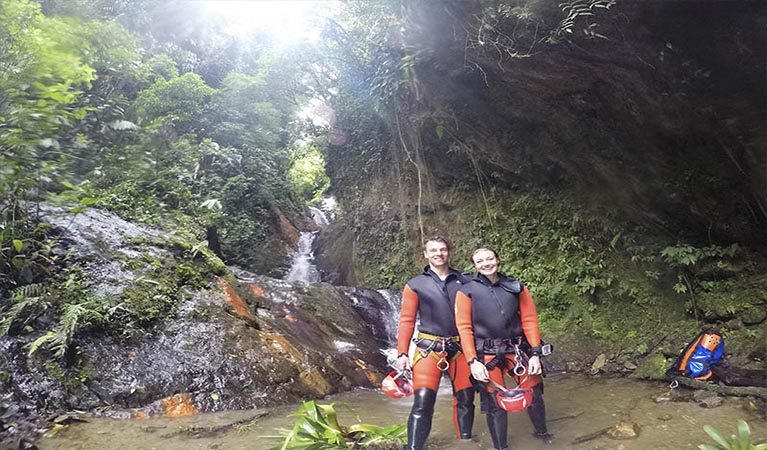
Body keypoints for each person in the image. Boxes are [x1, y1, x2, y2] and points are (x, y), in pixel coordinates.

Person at [455, 247, 552, 450]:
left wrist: (535, 353)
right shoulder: (467, 292)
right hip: (487, 354)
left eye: (489, 258)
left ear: (497, 260)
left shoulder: (516, 286)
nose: (486, 263)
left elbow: (529, 320)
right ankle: (501, 447)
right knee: (494, 403)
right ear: (474, 265)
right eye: (480, 261)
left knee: (534, 394)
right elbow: (464, 329)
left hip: (518, 350)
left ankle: (543, 435)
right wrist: (473, 361)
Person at [395, 236, 475, 450]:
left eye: (442, 249)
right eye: (433, 250)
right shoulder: (415, 285)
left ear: (449, 252)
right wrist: (402, 353)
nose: (438, 254)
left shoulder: (466, 281)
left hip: (460, 348)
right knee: (423, 402)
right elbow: (406, 320)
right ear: (425, 253)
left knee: (466, 398)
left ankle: (466, 443)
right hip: (428, 348)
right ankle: (414, 447)